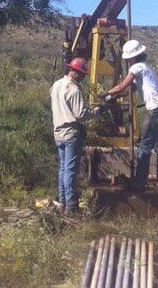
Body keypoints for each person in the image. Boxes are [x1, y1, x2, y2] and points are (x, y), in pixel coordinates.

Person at [102, 39, 158, 191]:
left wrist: (106, 93)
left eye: (128, 59)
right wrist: (116, 96)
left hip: (154, 110)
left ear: (133, 57)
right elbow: (132, 88)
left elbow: (123, 85)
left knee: (144, 146)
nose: (127, 62)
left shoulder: (136, 67)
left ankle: (139, 183)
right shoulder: (146, 69)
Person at [50, 57, 100, 215]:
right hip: (71, 134)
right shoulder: (74, 89)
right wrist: (95, 114)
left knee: (63, 170)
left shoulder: (56, 85)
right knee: (70, 171)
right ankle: (71, 207)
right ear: (77, 73)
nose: (84, 77)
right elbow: (80, 114)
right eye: (83, 74)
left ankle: (62, 203)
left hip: (58, 133)